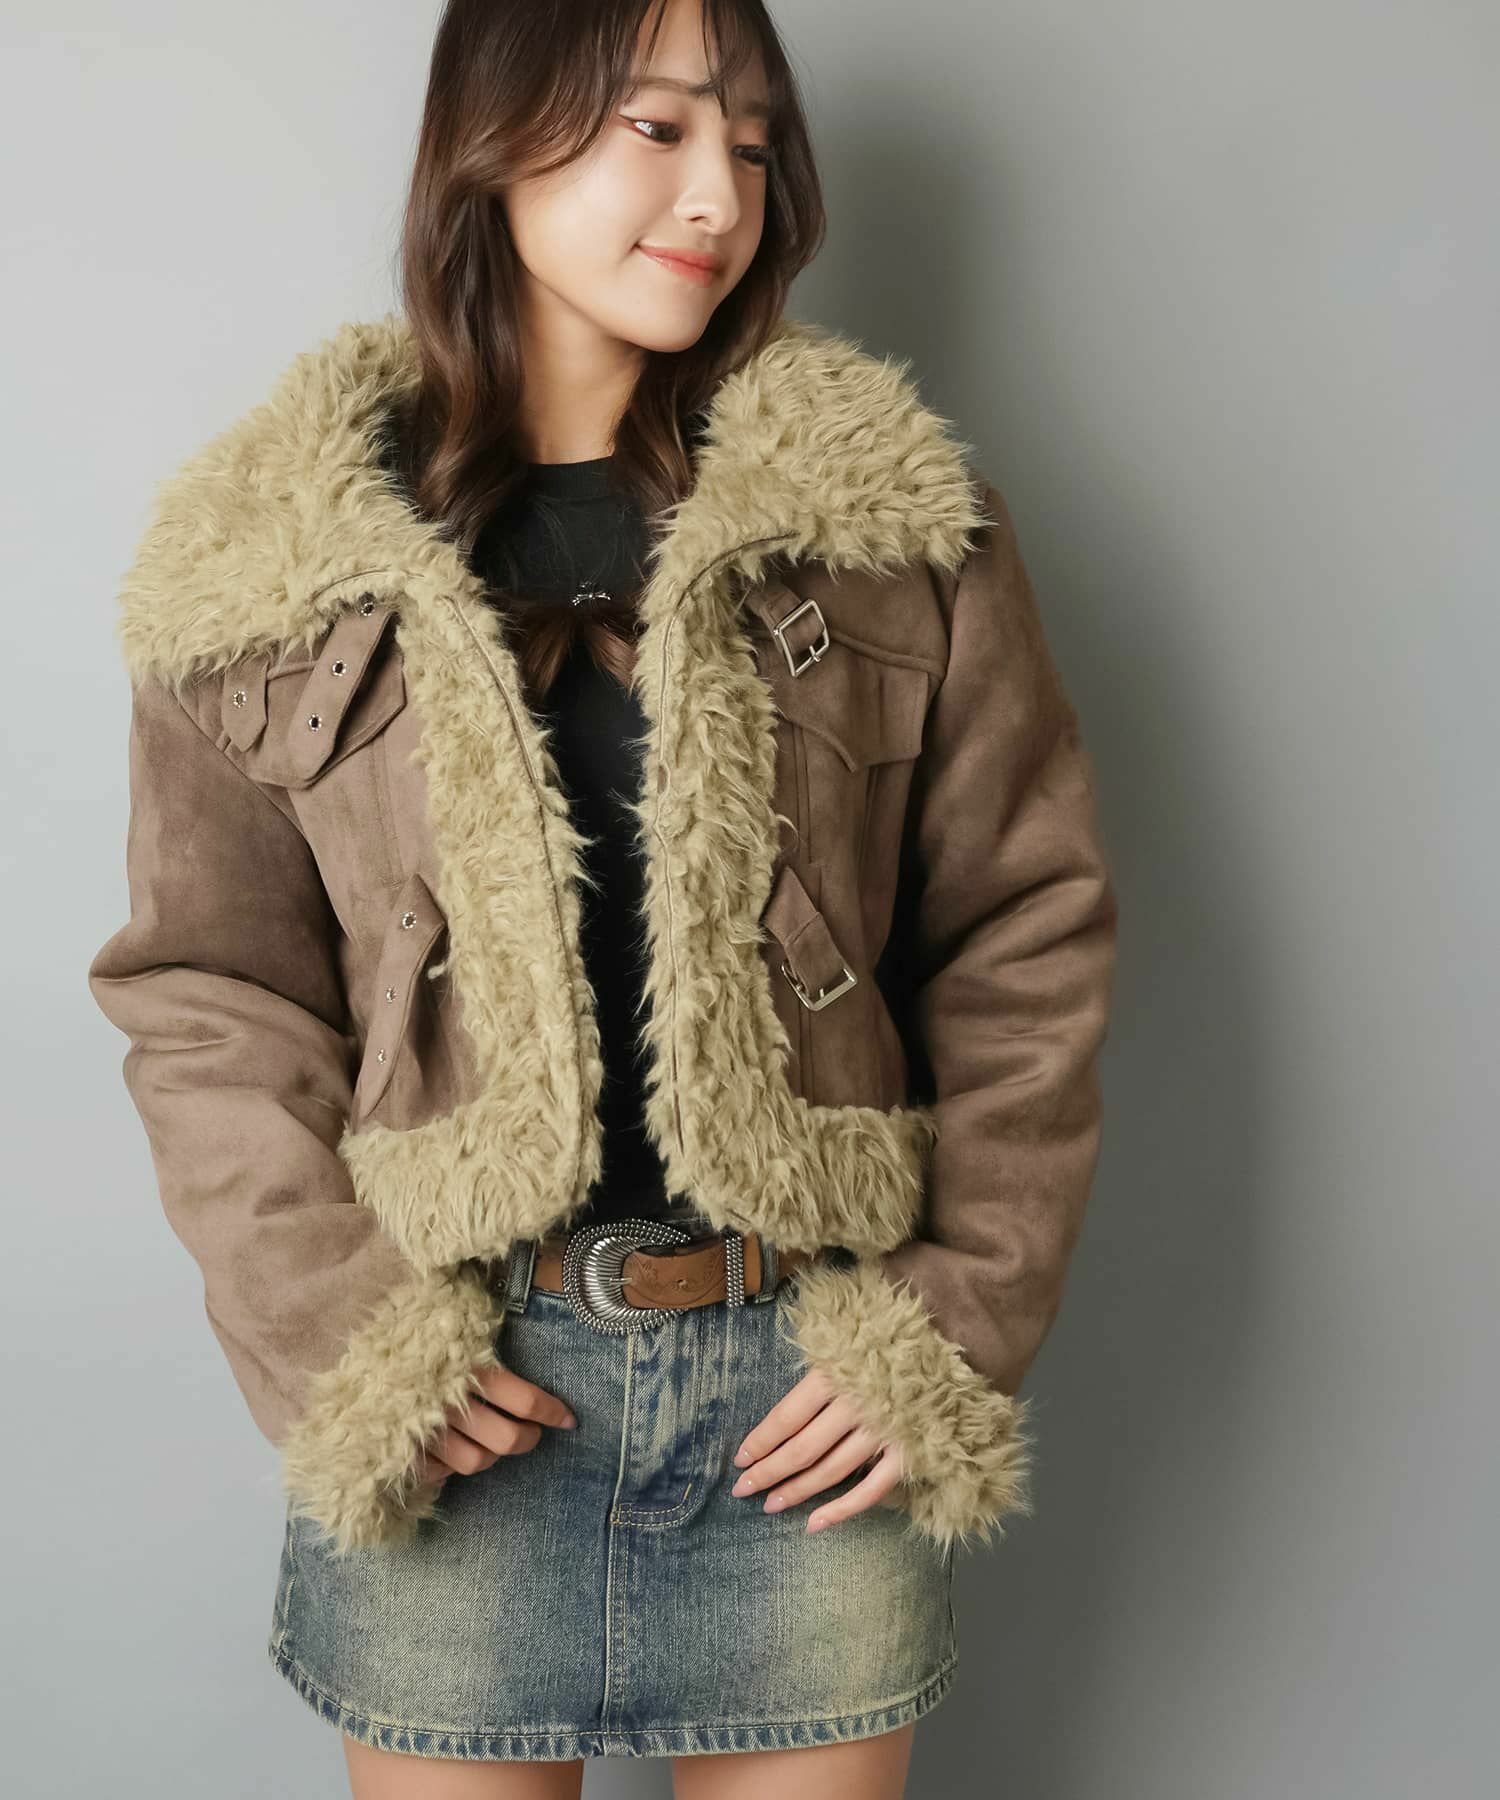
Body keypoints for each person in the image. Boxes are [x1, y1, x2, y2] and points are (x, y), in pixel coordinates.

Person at [87, 0, 1120, 1793]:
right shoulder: (277, 555)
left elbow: (1024, 938)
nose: (720, 191)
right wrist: (350, 1348)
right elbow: (210, 999)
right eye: (659, 126)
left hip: (802, 1401)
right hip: (459, 1406)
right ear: (495, 140)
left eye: (751, 142)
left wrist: (947, 1329)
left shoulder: (892, 525)